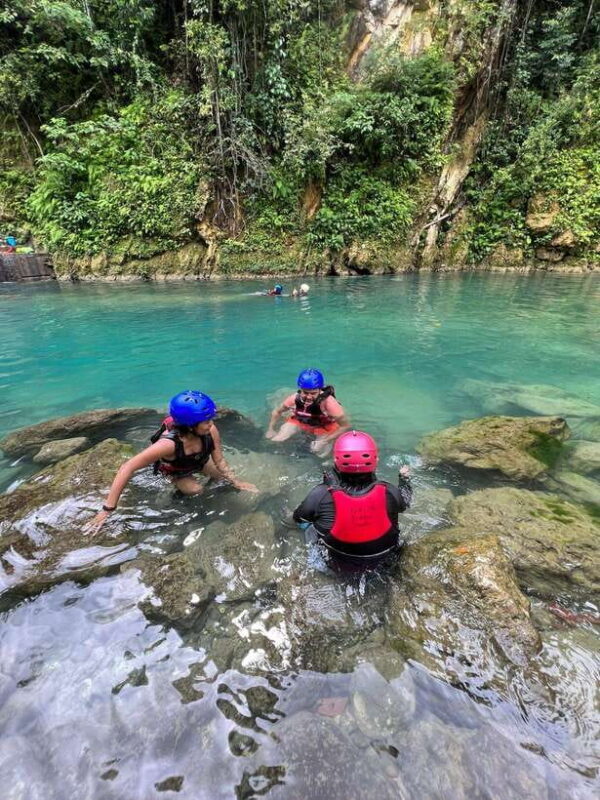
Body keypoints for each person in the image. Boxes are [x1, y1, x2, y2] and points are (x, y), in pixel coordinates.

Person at [88, 390, 257, 529]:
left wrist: (237, 481)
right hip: (177, 470)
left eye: (210, 419)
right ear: (190, 425)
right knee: (196, 490)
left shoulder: (210, 431)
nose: (211, 424)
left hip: (199, 460)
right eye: (206, 421)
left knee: (223, 479)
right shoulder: (167, 445)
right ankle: (177, 493)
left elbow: (219, 460)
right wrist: (108, 509)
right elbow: (128, 467)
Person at [293, 430, 412, 562]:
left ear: (336, 461)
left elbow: (298, 517)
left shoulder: (321, 493)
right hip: (384, 558)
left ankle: (315, 565)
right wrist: (404, 480)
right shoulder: (389, 491)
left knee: (308, 527)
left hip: (338, 561)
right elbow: (405, 502)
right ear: (376, 461)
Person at [266, 368, 348, 455]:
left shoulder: (329, 403)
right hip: (300, 421)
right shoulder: (294, 398)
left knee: (317, 450)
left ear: (320, 390)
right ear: (300, 389)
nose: (308, 397)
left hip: (324, 427)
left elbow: (345, 426)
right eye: (305, 392)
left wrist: (325, 441)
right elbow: (277, 411)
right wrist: (271, 429)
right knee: (278, 439)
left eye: (313, 393)